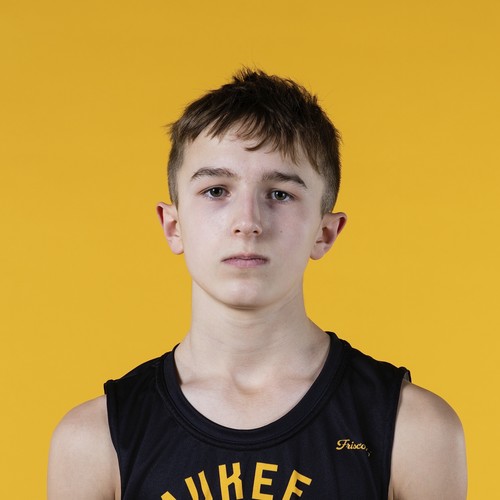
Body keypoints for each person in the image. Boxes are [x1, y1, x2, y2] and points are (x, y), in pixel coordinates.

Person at [48, 69, 467, 499]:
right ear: (173, 226)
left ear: (325, 232)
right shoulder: (94, 441)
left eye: (280, 194)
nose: (248, 222)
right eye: (216, 191)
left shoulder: (414, 430)